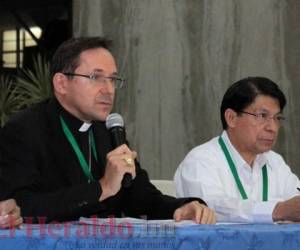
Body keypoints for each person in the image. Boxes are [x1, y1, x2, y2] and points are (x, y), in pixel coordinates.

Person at [0, 37, 215, 224]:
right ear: (62, 83)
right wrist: (102, 188)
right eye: (95, 77)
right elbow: (19, 208)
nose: (108, 89)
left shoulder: (109, 131)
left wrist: (181, 208)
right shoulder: (24, 130)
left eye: (112, 79)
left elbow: (141, 197)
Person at [175, 77, 300, 223]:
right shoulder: (201, 160)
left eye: (277, 118)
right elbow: (211, 208)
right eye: (262, 116)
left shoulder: (275, 162)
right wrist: (278, 210)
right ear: (231, 118)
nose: (272, 127)